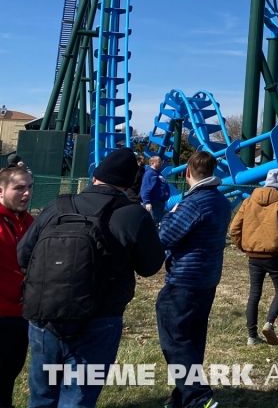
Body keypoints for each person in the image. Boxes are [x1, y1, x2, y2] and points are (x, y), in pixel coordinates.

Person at [19, 147, 164, 408]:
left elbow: (23, 255)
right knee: (77, 398)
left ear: (95, 176)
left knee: (41, 395)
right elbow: (150, 266)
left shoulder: (57, 206)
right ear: (129, 182)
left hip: (45, 313)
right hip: (99, 318)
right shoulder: (133, 215)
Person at [157, 150, 232, 408]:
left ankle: (198, 396)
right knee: (192, 337)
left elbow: (164, 237)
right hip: (207, 278)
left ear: (188, 172)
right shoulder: (220, 201)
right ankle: (182, 394)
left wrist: (169, 214)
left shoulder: (193, 203)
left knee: (175, 337)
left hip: (184, 279)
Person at [229, 168, 278, 346]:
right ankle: (270, 323)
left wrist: (244, 246)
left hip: (253, 255)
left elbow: (233, 229)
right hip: (276, 255)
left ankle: (252, 336)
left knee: (254, 294)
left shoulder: (249, 201)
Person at [0, 166, 33, 408]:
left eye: (30, 187)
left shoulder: (30, 222)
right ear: (1, 190)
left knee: (10, 372)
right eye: (19, 188)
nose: (27, 193)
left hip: (23, 314)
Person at [140, 155, 172, 225]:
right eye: (159, 162)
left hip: (160, 203)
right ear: (152, 163)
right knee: (153, 223)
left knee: (157, 222)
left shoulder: (158, 173)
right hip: (154, 203)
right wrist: (147, 202)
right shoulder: (150, 173)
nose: (161, 163)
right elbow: (145, 188)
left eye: (161, 161)